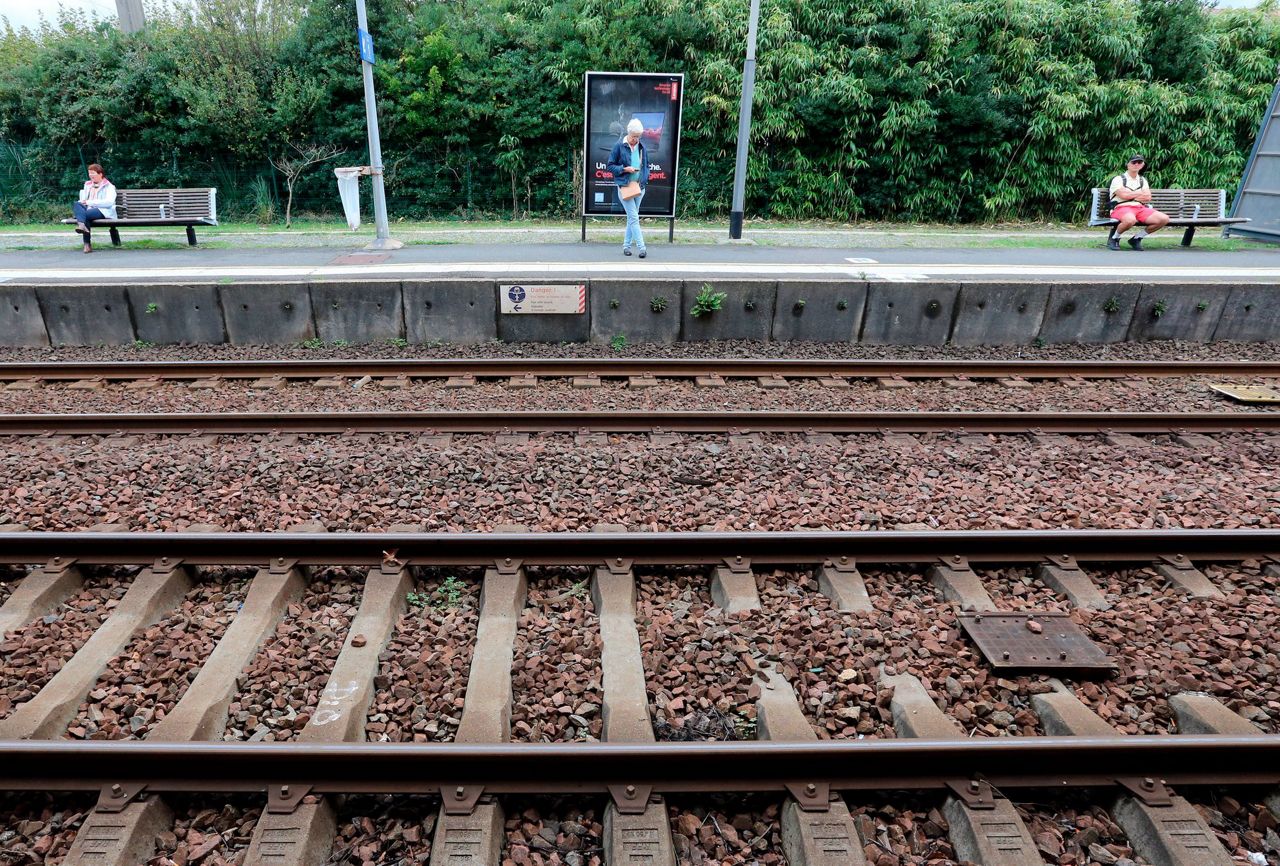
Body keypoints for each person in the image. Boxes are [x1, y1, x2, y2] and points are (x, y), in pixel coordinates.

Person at [1107, 155, 1169, 251]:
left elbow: (1148, 197)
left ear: (1142, 165)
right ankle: (1114, 238)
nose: (1136, 164)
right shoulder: (1118, 179)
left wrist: (1130, 193)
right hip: (1121, 207)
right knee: (1130, 220)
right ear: (1128, 164)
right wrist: (1139, 193)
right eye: (1133, 162)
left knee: (1163, 219)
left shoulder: (1142, 180)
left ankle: (1136, 238)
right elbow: (1124, 196)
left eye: (1139, 162)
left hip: (1139, 208)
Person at [607, 119, 649, 258]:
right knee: (634, 217)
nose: (636, 140)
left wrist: (644, 178)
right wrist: (625, 169)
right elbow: (610, 165)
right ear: (628, 133)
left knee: (632, 218)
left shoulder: (642, 147)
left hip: (639, 187)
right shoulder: (619, 146)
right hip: (625, 187)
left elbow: (646, 166)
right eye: (634, 136)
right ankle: (642, 247)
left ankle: (626, 246)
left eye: (638, 137)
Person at [72, 163, 117, 254]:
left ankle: (87, 244)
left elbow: (109, 202)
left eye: (93, 173)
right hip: (89, 209)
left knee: (85, 216)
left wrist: (89, 202)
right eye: (89, 173)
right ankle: (82, 225)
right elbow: (83, 200)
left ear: (100, 174)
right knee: (76, 204)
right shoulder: (87, 185)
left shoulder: (109, 186)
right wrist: (84, 202)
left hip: (103, 210)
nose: (90, 175)